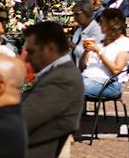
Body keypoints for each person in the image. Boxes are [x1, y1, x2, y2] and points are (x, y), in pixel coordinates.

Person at [19, 20, 85, 158]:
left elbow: (21, 121)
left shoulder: (62, 79)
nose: (27, 58)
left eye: (31, 52)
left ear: (49, 48)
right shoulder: (56, 74)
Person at [78, 7, 129, 98]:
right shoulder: (100, 42)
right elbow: (82, 67)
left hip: (109, 85)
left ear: (111, 24)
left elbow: (116, 70)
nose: (99, 24)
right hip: (87, 79)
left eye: (102, 21)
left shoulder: (124, 43)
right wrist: (86, 51)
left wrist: (99, 52)